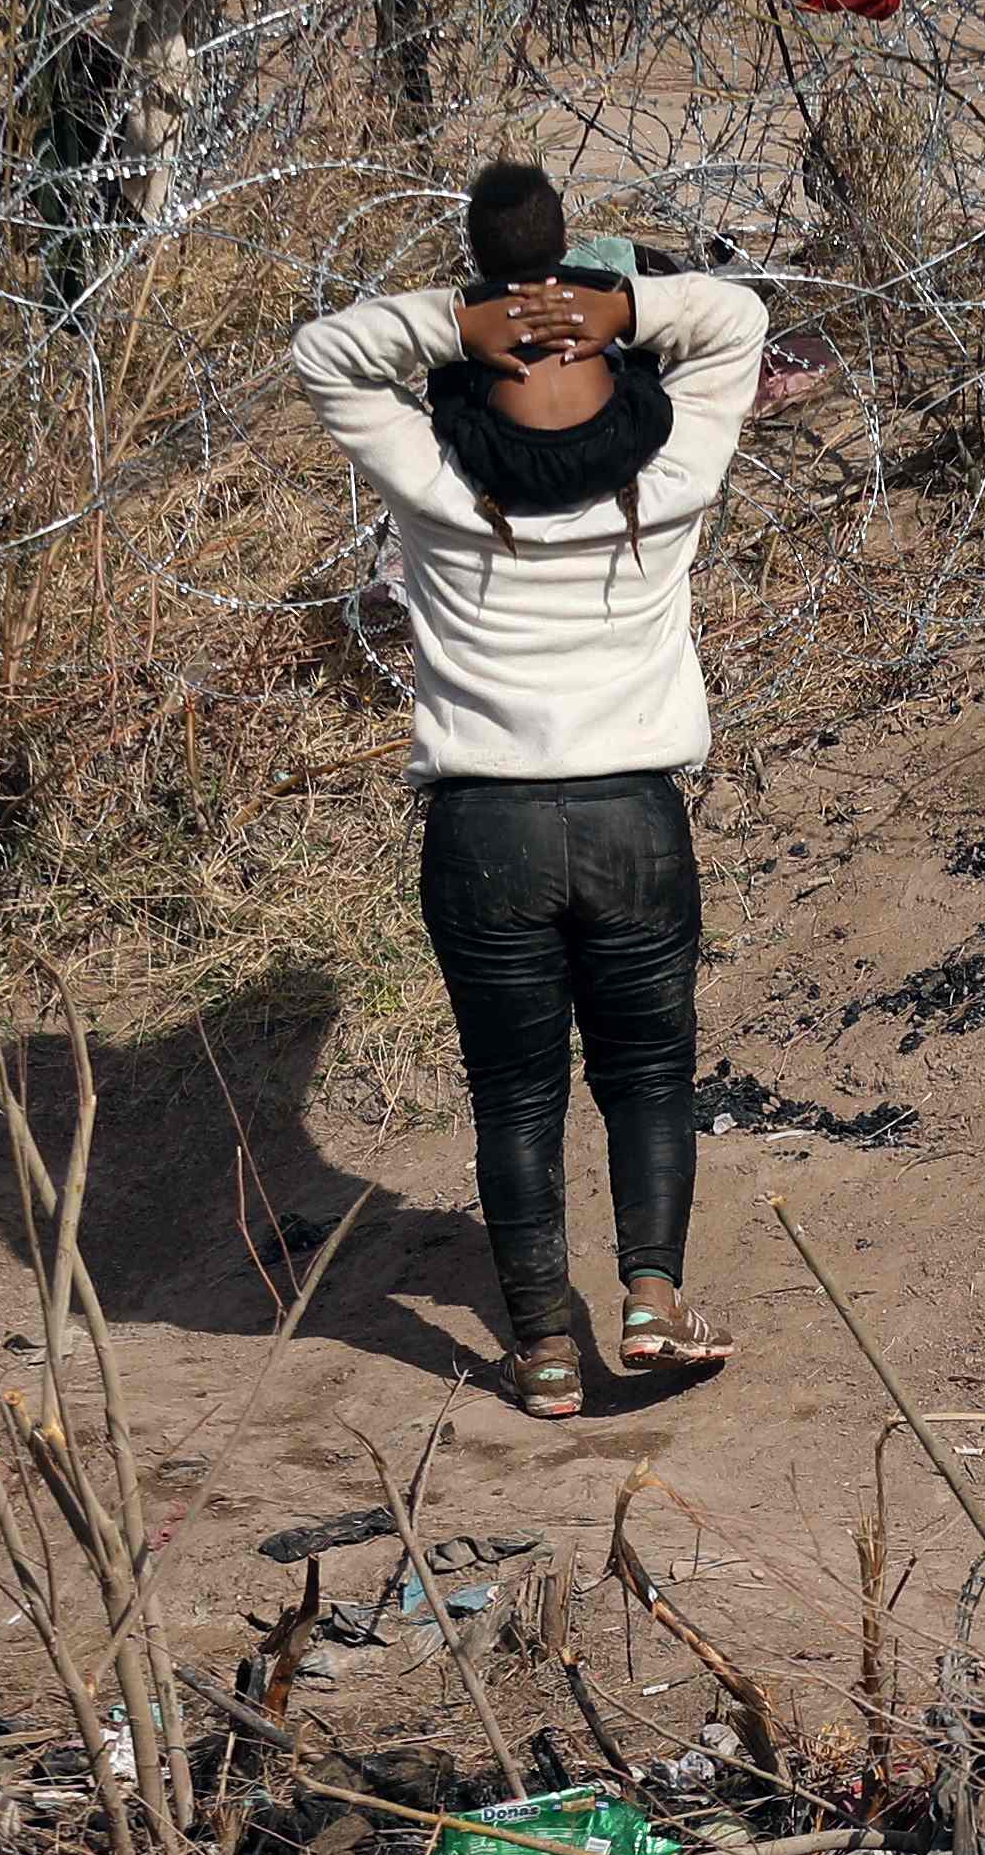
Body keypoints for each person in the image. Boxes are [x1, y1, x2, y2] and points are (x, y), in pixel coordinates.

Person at [292, 163, 769, 1421]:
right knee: (647, 1073)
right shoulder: (669, 483)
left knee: (515, 1092)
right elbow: (737, 323)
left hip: (483, 828)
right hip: (631, 818)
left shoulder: (439, 487)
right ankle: (653, 1299)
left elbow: (329, 353)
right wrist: (610, 307)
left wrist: (464, 321)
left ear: (457, 401)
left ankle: (545, 1350)